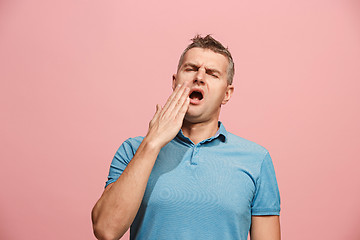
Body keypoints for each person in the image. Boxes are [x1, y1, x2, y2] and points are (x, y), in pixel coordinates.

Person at [92, 35, 281, 240]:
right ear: (174, 82)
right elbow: (106, 230)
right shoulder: (133, 149)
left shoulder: (256, 159)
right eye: (191, 69)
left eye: (212, 73)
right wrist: (152, 143)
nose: (199, 77)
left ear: (227, 94)